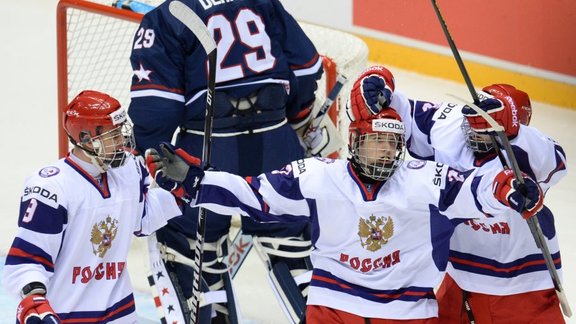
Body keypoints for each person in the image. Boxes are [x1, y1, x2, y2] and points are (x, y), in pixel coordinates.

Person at [144, 101, 545, 323]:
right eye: (376, 143)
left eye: (393, 145)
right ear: (354, 141)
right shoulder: (319, 177)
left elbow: (478, 188)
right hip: (335, 307)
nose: (386, 152)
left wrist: (510, 187)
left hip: (406, 312)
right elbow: (255, 195)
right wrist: (196, 180)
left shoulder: (425, 179)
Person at [127, 0, 324, 322]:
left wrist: (151, 157)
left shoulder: (164, 17)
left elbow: (156, 109)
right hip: (276, 143)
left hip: (206, 151)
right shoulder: (261, 2)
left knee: (189, 245)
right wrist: (297, 116)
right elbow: (306, 69)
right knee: (295, 245)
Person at [349, 66, 568, 323]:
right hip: (457, 280)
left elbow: (556, 162)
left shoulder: (525, 153)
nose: (476, 130)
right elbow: (402, 113)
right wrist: (377, 85)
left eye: (490, 125)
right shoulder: (449, 125)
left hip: (522, 285)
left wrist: (513, 131)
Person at [1, 90, 182, 323]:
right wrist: (34, 301)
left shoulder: (129, 170)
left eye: (120, 132)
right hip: (65, 316)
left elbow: (142, 219)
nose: (121, 141)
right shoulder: (52, 187)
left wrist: (182, 192)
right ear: (86, 139)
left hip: (120, 314)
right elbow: (27, 260)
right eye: (112, 135)